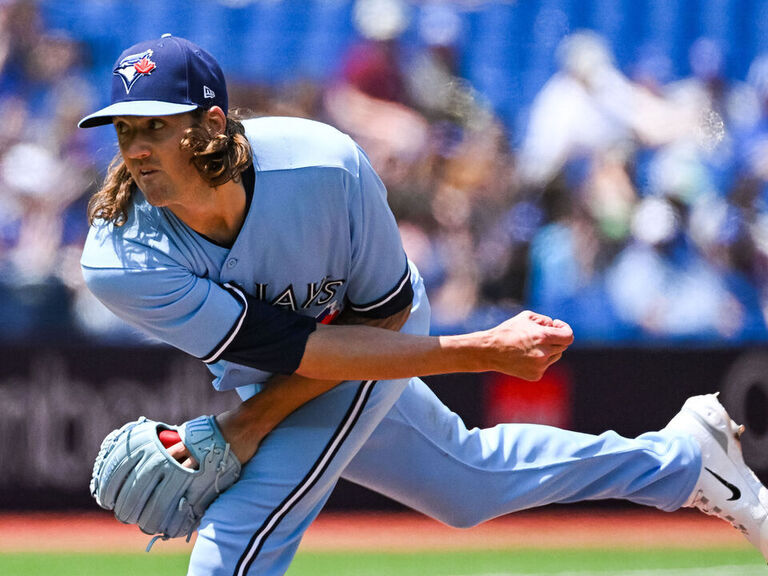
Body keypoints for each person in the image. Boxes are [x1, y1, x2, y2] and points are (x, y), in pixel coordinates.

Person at [78, 35, 768, 576]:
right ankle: (682, 460)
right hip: (298, 360)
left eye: (154, 127)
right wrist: (245, 422)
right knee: (467, 485)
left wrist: (244, 430)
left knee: (234, 541)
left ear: (211, 125)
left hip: (382, 323)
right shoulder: (121, 259)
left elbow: (380, 315)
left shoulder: (323, 167)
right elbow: (297, 354)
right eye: (123, 131)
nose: (135, 149)